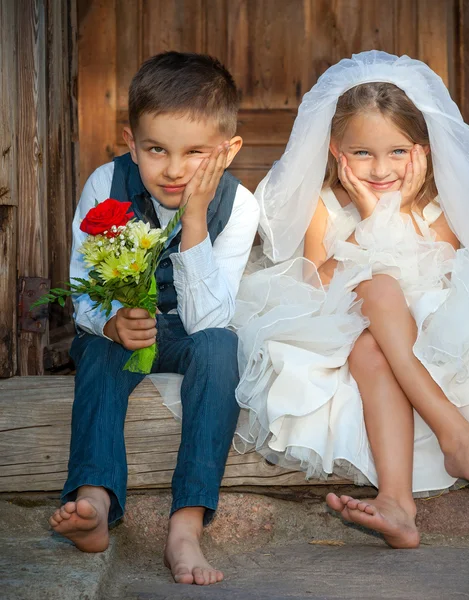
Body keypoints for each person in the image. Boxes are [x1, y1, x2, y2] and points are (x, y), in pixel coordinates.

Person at [232, 51, 469, 549]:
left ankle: (408, 491)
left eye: (398, 152)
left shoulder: (437, 206)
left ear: (423, 150)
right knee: (372, 312)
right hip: (339, 330)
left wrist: (391, 222)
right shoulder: (326, 206)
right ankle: (434, 463)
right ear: (336, 151)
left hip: (429, 333)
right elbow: (313, 284)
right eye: (362, 153)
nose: (380, 168)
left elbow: (448, 276)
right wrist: (367, 223)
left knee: (377, 326)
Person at [48, 52, 259, 585]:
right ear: (130, 141)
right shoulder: (105, 184)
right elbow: (85, 288)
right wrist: (111, 322)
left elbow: (209, 316)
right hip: (123, 330)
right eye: (156, 149)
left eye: (195, 153)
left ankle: (185, 527)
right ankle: (94, 499)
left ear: (228, 151)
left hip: (190, 334)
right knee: (98, 350)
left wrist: (194, 219)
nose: (173, 168)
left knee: (221, 347)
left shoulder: (239, 206)